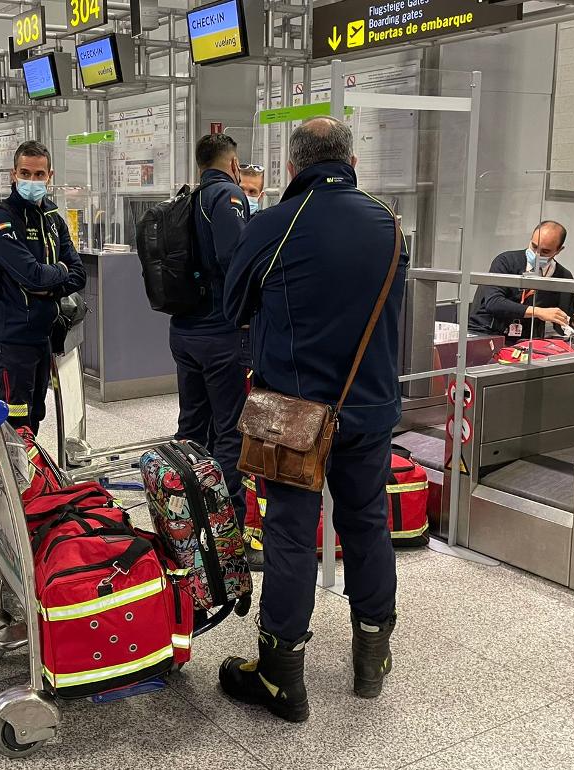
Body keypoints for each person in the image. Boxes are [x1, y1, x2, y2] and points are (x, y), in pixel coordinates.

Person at [221, 118, 408, 722]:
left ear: (294, 165)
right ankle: (371, 657)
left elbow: (233, 307)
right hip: (371, 405)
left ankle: (281, 675)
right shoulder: (388, 223)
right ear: (351, 158)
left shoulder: (273, 224)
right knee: (367, 522)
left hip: (293, 413)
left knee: (292, 535)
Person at [168, 133, 251, 530]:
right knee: (230, 430)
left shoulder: (188, 199)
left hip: (184, 330)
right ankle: (227, 525)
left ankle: (185, 515)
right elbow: (234, 257)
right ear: (233, 164)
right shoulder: (228, 197)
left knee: (191, 428)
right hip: (220, 333)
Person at [0, 140, 86, 435]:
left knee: (35, 415)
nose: (32, 180)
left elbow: (78, 274)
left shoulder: (52, 217)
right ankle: (16, 478)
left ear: (49, 176)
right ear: (14, 174)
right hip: (11, 337)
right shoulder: (0, 219)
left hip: (43, 336)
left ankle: (30, 477)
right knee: (15, 420)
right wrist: (55, 274)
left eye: (39, 174)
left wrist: (49, 282)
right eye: (25, 173)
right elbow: (32, 276)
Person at [468, 221, 574, 340]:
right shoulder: (506, 261)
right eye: (534, 246)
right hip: (485, 332)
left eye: (545, 251)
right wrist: (539, 312)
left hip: (525, 341)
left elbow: (562, 325)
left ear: (558, 250)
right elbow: (494, 302)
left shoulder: (563, 277)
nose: (537, 254)